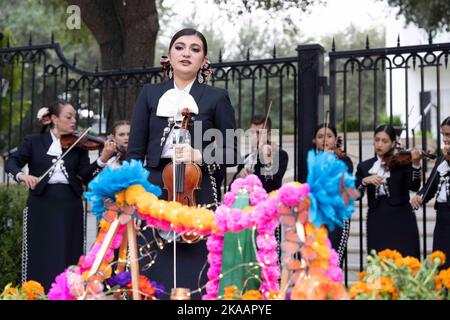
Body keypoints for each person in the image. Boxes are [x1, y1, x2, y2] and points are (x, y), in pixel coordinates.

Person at [127, 28, 237, 299]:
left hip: (196, 188)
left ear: (204, 60)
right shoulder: (150, 93)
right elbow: (134, 151)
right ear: (169, 55)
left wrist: (198, 155)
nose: (186, 53)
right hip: (154, 188)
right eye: (180, 47)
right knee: (154, 263)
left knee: (196, 266)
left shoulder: (217, 97)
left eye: (195, 49)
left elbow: (232, 152)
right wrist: (130, 190)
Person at [5, 100, 117, 291]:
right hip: (41, 204)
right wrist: (22, 175)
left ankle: (67, 292)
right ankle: (36, 292)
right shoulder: (34, 141)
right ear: (55, 119)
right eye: (68, 116)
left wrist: (102, 159)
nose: (74, 121)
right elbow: (11, 162)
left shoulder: (79, 145)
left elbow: (85, 177)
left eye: (75, 116)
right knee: (39, 252)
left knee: (68, 252)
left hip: (70, 205)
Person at [355, 124, 422, 258]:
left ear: (392, 144)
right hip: (377, 220)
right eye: (377, 140)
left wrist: (415, 164)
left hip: (402, 219)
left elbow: (414, 186)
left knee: (406, 263)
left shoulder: (402, 162)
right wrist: (364, 181)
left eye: (384, 141)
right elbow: (356, 195)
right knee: (379, 265)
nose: (379, 144)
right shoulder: (364, 166)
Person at [311, 123, 353, 267]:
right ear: (315, 141)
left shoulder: (344, 160)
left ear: (335, 140)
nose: (325, 140)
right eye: (320, 137)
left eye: (329, 136)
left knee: (333, 261)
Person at [411, 116, 450, 269]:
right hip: (442, 222)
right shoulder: (441, 161)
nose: (445, 139)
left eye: (449, 135)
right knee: (441, 266)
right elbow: (429, 188)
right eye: (443, 135)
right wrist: (420, 196)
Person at [231, 115, 288, 193]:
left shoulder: (280, 155)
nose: (255, 137)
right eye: (252, 133)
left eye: (259, 133)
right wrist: (239, 176)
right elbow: (230, 189)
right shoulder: (246, 158)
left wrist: (267, 163)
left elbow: (275, 185)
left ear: (269, 135)